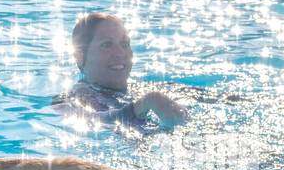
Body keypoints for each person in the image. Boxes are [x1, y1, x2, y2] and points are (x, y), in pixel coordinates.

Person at [54, 13, 189, 130]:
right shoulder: (70, 99)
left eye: (125, 44)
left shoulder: (143, 88)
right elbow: (93, 120)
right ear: (80, 56)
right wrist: (143, 106)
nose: (120, 53)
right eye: (106, 45)